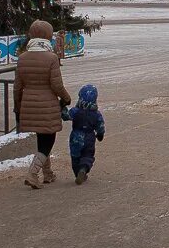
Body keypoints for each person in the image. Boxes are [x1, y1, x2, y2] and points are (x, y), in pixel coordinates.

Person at [13, 20, 72, 189]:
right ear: (48, 36)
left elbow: (17, 87)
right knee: (49, 139)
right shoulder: (51, 58)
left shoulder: (22, 58)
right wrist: (66, 98)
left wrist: (17, 107)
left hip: (29, 104)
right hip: (47, 105)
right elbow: (57, 86)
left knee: (42, 138)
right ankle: (32, 173)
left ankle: (48, 174)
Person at [64, 84, 105, 185]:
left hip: (76, 137)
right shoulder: (96, 114)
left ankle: (77, 172)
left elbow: (66, 116)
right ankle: (83, 169)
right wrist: (100, 134)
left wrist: (62, 108)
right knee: (88, 155)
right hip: (89, 137)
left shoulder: (75, 111)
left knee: (75, 156)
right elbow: (100, 125)